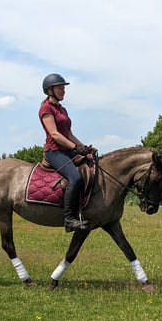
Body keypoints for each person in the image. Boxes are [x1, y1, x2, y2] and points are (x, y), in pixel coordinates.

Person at [39, 73, 95, 232]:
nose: (63, 90)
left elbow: (69, 134)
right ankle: (69, 219)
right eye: (60, 88)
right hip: (54, 151)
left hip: (67, 149)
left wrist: (85, 148)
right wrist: (74, 148)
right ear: (50, 90)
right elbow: (55, 134)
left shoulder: (62, 109)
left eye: (64, 88)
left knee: (91, 165)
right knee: (75, 178)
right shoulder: (46, 108)